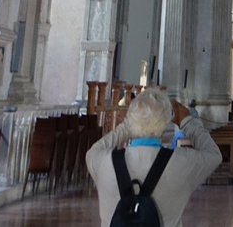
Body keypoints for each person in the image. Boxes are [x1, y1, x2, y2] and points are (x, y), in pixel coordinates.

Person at [87, 87, 222, 227]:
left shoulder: (103, 161)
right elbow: (213, 154)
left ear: (130, 118)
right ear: (166, 122)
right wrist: (187, 121)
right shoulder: (181, 162)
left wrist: (128, 126)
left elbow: (94, 150)